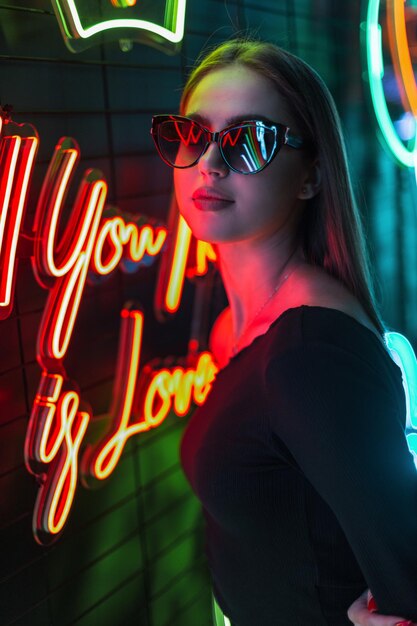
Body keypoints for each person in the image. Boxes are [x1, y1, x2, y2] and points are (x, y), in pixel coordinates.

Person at [150, 38, 417, 626]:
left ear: (310, 177)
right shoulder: (236, 329)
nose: (210, 164)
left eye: (249, 141)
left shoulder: (308, 351)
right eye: (193, 135)